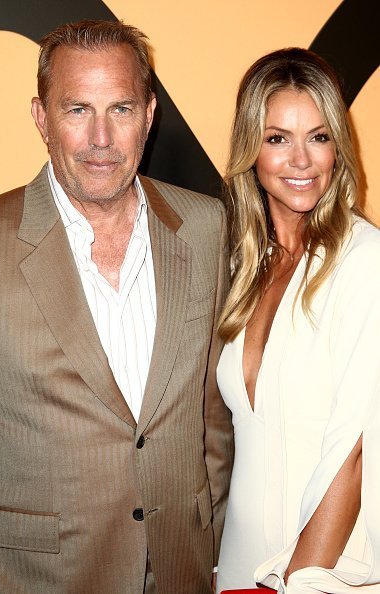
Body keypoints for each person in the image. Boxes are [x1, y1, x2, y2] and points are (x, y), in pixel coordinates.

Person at [0, 19, 234, 594]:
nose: (101, 138)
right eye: (77, 110)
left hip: (181, 570)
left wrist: (211, 541)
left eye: (120, 109)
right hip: (37, 578)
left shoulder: (205, 226)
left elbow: (211, 416)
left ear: (149, 115)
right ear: (41, 118)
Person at [215, 48, 380, 594]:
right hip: (239, 565)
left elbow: (354, 455)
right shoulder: (244, 266)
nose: (302, 160)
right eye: (278, 138)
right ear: (250, 149)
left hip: (322, 573)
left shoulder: (364, 260)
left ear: (338, 146)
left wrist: (294, 584)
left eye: (319, 136)